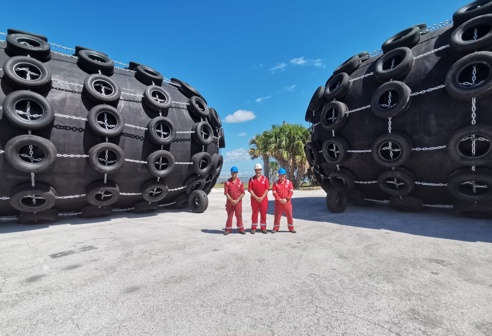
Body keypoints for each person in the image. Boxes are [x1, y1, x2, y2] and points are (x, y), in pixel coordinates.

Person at [271, 168, 296, 233]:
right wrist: (279, 199)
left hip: (287, 203)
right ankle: (275, 228)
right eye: (280, 175)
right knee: (277, 215)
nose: (282, 177)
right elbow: (274, 192)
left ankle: (291, 228)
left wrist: (286, 199)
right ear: (278, 175)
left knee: (289, 215)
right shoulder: (275, 183)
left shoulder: (289, 183)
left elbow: (291, 191)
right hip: (278, 203)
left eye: (283, 175)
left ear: (285, 175)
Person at [248, 163, 269, 234]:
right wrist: (256, 197)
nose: (258, 171)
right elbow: (250, 189)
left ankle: (263, 228)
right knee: (255, 213)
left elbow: (267, 189)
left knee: (263, 213)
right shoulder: (251, 179)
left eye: (259, 170)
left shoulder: (265, 179)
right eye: (256, 170)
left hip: (263, 200)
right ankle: (254, 227)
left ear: (261, 170)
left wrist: (262, 197)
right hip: (254, 200)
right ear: (254, 170)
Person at [224, 166, 246, 235]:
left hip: (238, 203)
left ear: (237, 173)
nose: (234, 174)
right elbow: (226, 193)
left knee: (239, 215)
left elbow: (243, 193)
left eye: (235, 173)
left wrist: (237, 200)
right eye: (233, 173)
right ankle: (228, 229)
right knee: (230, 216)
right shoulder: (227, 182)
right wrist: (231, 200)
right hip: (230, 203)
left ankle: (241, 229)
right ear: (231, 173)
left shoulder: (240, 182)